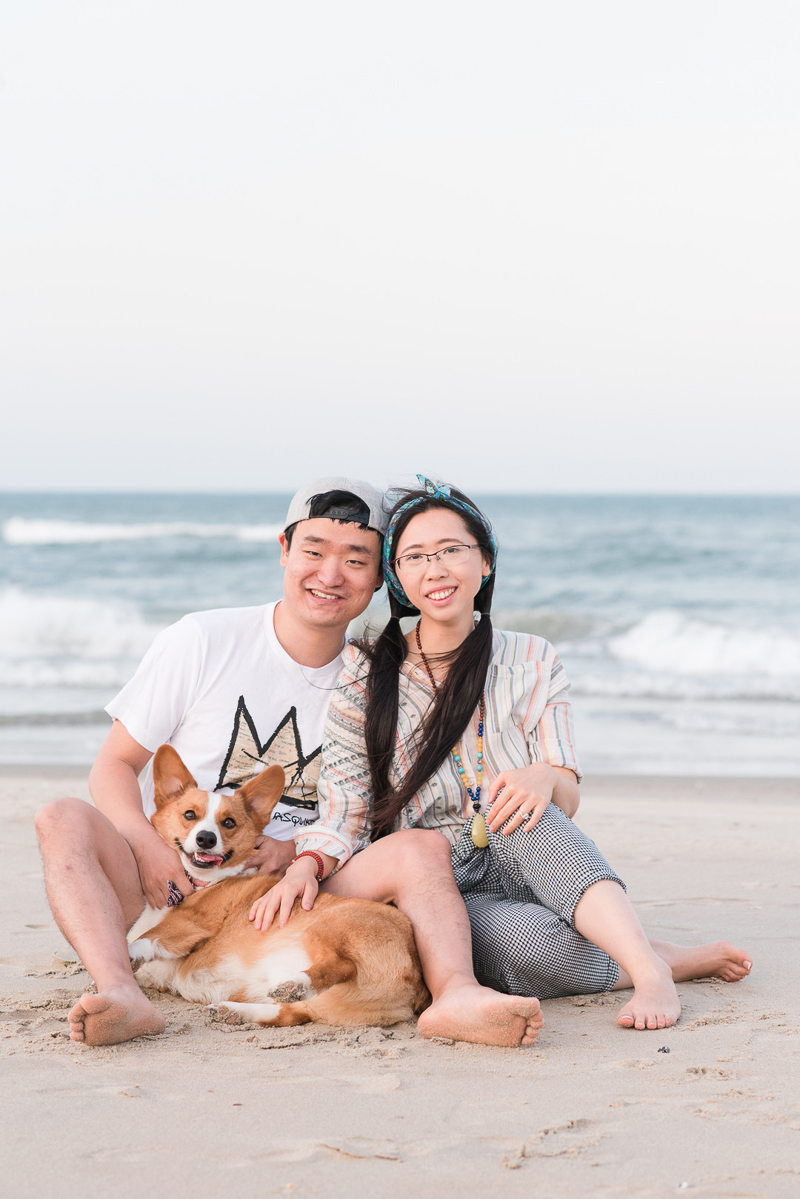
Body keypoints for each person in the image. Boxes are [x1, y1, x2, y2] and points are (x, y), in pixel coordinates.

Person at [254, 477, 752, 1042]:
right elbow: (345, 808)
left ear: (485, 560)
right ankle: (670, 957)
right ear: (396, 577)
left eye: (451, 550)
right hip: (435, 879)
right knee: (529, 948)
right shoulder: (367, 673)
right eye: (415, 557)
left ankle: (648, 973)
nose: (435, 569)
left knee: (517, 806)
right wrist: (308, 863)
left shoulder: (532, 657)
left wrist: (546, 776)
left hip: (522, 845)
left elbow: (567, 796)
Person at [34, 477, 389, 1045]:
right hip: (163, 882)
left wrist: (299, 852)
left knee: (414, 851)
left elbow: (376, 814)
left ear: (379, 576)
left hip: (292, 891)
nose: (330, 575)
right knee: (60, 817)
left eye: (355, 559)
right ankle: (122, 990)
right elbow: (114, 764)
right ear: (284, 550)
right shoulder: (204, 638)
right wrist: (147, 846)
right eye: (314, 551)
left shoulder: (381, 684)